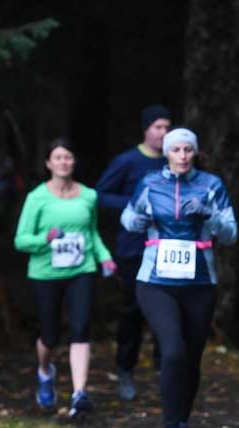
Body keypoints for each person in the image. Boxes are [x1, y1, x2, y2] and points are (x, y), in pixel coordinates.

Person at [121, 128, 238, 428]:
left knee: (190, 358)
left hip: (200, 284)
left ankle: (182, 426)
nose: (183, 155)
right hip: (155, 281)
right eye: (176, 150)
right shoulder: (149, 183)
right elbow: (128, 218)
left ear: (195, 153)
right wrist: (139, 218)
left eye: (188, 150)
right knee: (172, 351)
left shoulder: (211, 185)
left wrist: (209, 214)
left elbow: (230, 234)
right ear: (167, 153)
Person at [14, 138, 116, 420]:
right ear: (48, 163)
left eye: (68, 157)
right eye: (57, 158)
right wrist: (44, 240)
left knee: (81, 328)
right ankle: (45, 372)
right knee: (49, 335)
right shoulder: (37, 198)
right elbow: (21, 240)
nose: (63, 162)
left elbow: (92, 234)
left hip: (81, 270)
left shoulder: (89, 196)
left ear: (74, 162)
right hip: (45, 273)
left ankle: (79, 393)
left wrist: (105, 257)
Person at [96, 105, 172, 400]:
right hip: (133, 250)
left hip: (168, 250)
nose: (163, 133)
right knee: (132, 312)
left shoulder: (175, 161)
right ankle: (125, 371)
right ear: (146, 130)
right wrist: (134, 205)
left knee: (165, 314)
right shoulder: (128, 161)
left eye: (167, 127)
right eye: (158, 127)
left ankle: (164, 373)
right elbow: (99, 195)